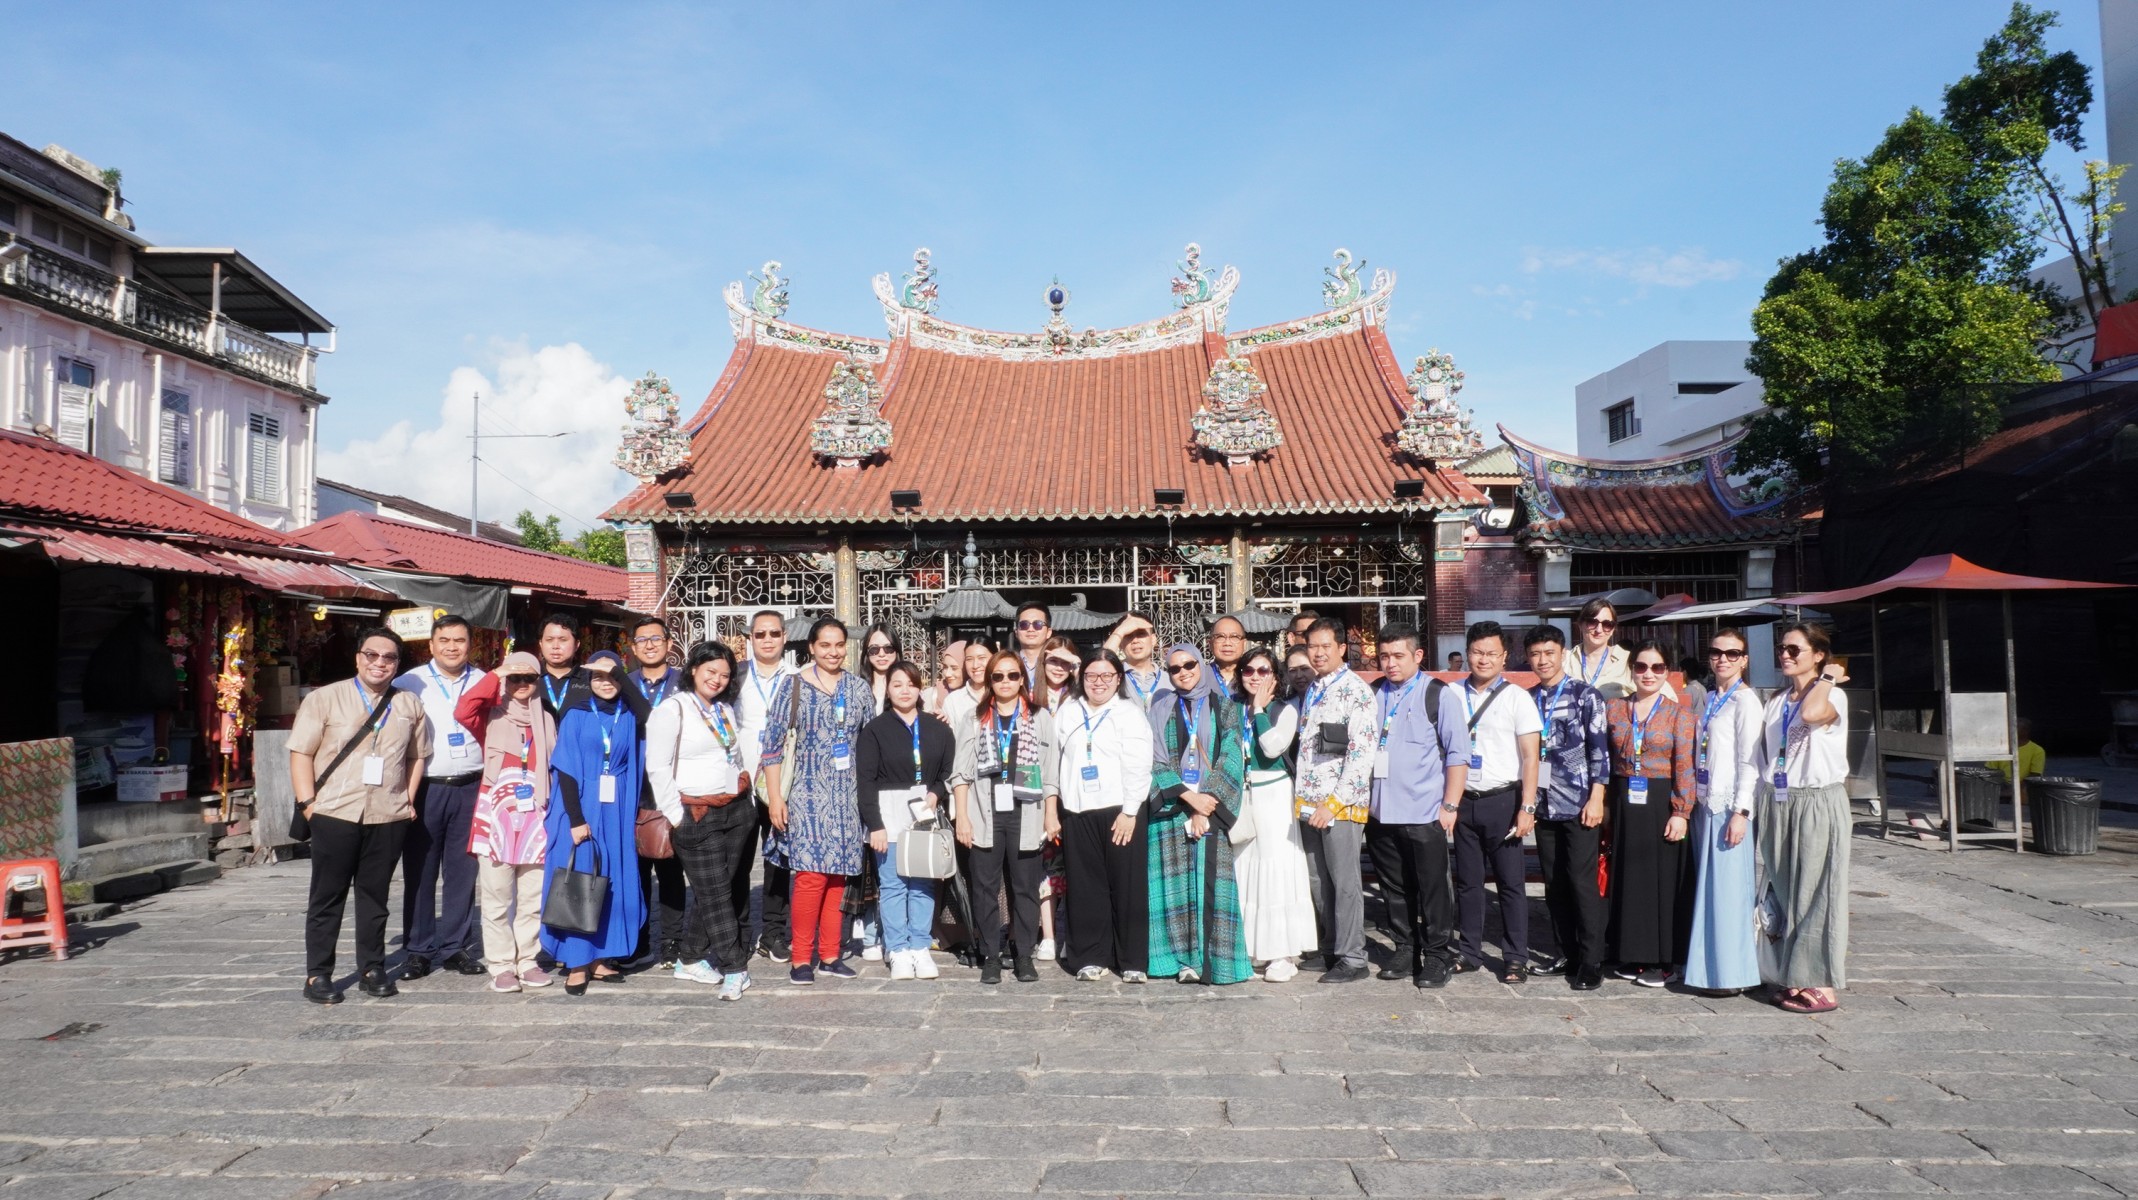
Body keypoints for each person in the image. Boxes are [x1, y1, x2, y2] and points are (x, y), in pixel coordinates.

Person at [290, 628, 432, 1004]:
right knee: (327, 895)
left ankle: (373, 967)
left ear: (397, 665)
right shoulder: (326, 698)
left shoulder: (408, 704)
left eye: (389, 658)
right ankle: (318, 974)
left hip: (387, 813)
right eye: (372, 655)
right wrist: (308, 804)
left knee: (376, 896)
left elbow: (419, 755)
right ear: (358, 658)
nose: (379, 663)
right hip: (334, 811)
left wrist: (408, 798)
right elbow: (301, 752)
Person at [758, 617, 873, 984]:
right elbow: (772, 748)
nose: (833, 652)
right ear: (811, 647)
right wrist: (776, 798)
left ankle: (830, 954)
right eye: (825, 645)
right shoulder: (793, 688)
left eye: (839, 645)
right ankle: (800, 959)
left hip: (848, 796)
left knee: (839, 876)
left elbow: (870, 744)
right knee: (810, 877)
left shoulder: (859, 689)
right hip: (806, 794)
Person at [644, 640, 758, 1001]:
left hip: (735, 808)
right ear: (694, 669)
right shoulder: (671, 710)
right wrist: (676, 817)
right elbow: (657, 767)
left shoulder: (723, 710)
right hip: (695, 813)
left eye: (725, 675)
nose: (718, 680)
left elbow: (733, 754)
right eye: (711, 671)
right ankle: (735, 967)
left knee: (719, 888)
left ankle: (690, 957)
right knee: (716, 892)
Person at [1363, 624, 1473, 989]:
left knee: (1433, 888)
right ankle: (1405, 946)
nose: (1390, 664)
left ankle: (1439, 953)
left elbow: (1458, 754)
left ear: (1418, 656)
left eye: (1398, 656)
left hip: (1424, 810)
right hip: (1380, 811)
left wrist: (1450, 805)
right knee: (1394, 887)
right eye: (1384, 657)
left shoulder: (1438, 695)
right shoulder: (1374, 692)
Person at [1758, 623, 1852, 1014]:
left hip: (1817, 800)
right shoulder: (1777, 700)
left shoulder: (1834, 695)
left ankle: (1822, 983)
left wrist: (1828, 675)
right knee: (1785, 891)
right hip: (1780, 798)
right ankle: (1793, 974)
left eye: (1795, 650)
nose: (1785, 655)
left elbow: (1814, 713)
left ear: (1817, 654)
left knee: (1818, 893)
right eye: (1782, 648)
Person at [1145, 643, 1251, 985]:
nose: (1183, 673)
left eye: (1189, 665)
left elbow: (1232, 756)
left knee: (1209, 888)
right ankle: (1176, 960)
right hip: (1173, 808)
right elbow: (1152, 757)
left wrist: (1207, 802)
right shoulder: (1159, 705)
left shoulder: (1224, 706)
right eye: (1174, 669)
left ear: (1201, 665)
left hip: (1210, 808)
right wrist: (1189, 799)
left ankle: (1211, 963)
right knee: (1172, 892)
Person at [542, 652, 645, 995]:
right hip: (581, 804)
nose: (605, 683)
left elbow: (647, 718)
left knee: (610, 880)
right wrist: (575, 819)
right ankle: (576, 961)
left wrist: (622, 676)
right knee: (580, 881)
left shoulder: (628, 715)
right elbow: (566, 769)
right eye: (598, 677)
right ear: (588, 681)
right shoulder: (576, 714)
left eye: (612, 676)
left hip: (615, 807)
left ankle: (601, 956)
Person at [1048, 648, 1153, 982]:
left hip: (1120, 810)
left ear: (1118, 679)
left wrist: (1130, 811)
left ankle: (1132, 959)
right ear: (1082, 678)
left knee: (1126, 885)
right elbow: (1057, 756)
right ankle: (1090, 956)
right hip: (1078, 810)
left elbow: (1139, 764)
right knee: (1085, 886)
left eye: (1107, 675)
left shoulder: (1128, 713)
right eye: (1092, 675)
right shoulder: (1068, 710)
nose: (1098, 682)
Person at [393, 614, 488, 981]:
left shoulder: (485, 681)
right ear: (431, 645)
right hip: (426, 787)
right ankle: (419, 949)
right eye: (444, 640)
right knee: (420, 869)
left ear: (470, 645)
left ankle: (455, 946)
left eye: (459, 641)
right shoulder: (408, 682)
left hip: (471, 785)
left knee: (463, 870)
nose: (452, 647)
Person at [953, 648, 1056, 984]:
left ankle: (1023, 953)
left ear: (1022, 679)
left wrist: (1050, 815)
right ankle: (991, 954)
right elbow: (961, 774)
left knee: (1025, 887)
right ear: (990, 680)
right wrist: (963, 819)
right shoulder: (975, 717)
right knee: (984, 886)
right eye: (998, 675)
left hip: (1026, 811)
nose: (1006, 681)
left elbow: (1050, 772)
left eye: (1013, 675)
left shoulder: (1039, 717)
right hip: (985, 813)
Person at [455, 651, 554, 993]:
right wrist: (498, 671)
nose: (523, 684)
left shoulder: (547, 720)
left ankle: (527, 960)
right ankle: (500, 965)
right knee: (497, 897)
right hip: (495, 820)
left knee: (532, 897)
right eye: (516, 678)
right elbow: (463, 707)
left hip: (536, 820)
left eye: (529, 678)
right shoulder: (490, 715)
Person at [1451, 621, 1544, 982]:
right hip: (1464, 801)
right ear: (1467, 652)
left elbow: (1531, 758)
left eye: (1491, 653)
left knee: (1510, 884)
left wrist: (1528, 806)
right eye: (1477, 652)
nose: (1483, 659)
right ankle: (1469, 951)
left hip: (1503, 800)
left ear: (1504, 656)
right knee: (1469, 883)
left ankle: (1515, 956)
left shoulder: (1516, 697)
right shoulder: (1453, 695)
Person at [1603, 640, 1697, 989]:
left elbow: (1685, 766)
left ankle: (1665, 958)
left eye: (1657, 668)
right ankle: (1633, 953)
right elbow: (1607, 760)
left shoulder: (1680, 715)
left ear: (1667, 672)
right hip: (1626, 797)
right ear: (1632, 670)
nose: (1648, 674)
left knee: (1662, 880)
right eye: (1641, 667)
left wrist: (1681, 811)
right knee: (1631, 877)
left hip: (1661, 798)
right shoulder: (1615, 709)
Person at [856, 660, 958, 981]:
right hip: (888, 814)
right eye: (897, 684)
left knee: (922, 883)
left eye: (910, 684)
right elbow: (866, 781)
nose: (904, 690)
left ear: (920, 688)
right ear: (888, 689)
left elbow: (947, 772)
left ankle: (919, 945)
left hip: (923, 814)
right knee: (893, 884)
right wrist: (875, 825)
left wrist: (936, 793)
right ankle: (897, 948)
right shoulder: (875, 730)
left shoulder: (938, 728)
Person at [1523, 624, 1611, 991]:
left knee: (1581, 882)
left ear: (1562, 654)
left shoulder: (1585, 696)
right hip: (1543, 804)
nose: (1542, 660)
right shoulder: (1526, 698)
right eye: (1535, 654)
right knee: (1554, 883)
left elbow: (1600, 750)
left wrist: (1597, 796)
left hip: (1578, 803)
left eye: (1549, 653)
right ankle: (1567, 953)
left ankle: (1592, 960)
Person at [1292, 617, 1376, 983]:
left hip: (1338, 806)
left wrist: (1335, 803)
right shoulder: (1315, 688)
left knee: (1344, 882)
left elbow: (1361, 755)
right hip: (1309, 803)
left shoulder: (1357, 691)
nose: (1319, 652)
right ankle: (1330, 947)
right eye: (1313, 646)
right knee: (1318, 881)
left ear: (1342, 648)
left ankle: (1353, 957)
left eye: (1326, 645)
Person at [1683, 628, 1763, 997]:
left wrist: (1741, 811)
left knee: (1729, 891)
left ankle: (1732, 972)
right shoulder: (1714, 697)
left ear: (1744, 659)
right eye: (1717, 652)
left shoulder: (1746, 701)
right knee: (1710, 890)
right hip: (1706, 801)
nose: (1723, 659)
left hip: (1728, 804)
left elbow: (1751, 761)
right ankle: (1709, 968)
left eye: (1732, 654)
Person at [1230, 647, 1314, 982]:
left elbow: (1272, 746)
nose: (1254, 677)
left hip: (1275, 795)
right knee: (1245, 868)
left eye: (1263, 671)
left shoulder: (1286, 708)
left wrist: (1261, 710)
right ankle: (1251, 947)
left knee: (1276, 870)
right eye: (1248, 671)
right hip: (1244, 795)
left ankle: (1282, 951)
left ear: (1275, 677)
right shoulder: (1233, 709)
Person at [626, 616, 688, 970]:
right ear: (633, 648)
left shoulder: (684, 684)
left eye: (656, 638)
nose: (649, 645)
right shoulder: (621, 683)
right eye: (642, 640)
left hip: (673, 790)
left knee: (670, 869)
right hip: (633, 790)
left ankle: (672, 942)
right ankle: (637, 943)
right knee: (635, 872)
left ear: (669, 643)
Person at [734, 609, 794, 963]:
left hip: (779, 783)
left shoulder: (798, 678)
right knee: (739, 861)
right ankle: (739, 933)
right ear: (750, 638)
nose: (767, 640)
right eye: (760, 634)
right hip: (741, 779)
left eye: (774, 633)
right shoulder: (736, 676)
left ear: (784, 637)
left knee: (777, 861)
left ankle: (773, 933)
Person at [1569, 599, 1634, 700]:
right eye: (1592, 622)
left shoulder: (1628, 660)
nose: (1598, 630)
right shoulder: (1566, 660)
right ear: (1580, 625)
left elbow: (1662, 693)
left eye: (1607, 624)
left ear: (1613, 629)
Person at [534, 613, 594, 719]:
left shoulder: (590, 679)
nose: (555, 646)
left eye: (563, 640)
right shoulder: (530, 677)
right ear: (540, 644)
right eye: (549, 640)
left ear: (577, 645)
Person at [1106, 612, 1169, 712]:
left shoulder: (1170, 681)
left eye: (1141, 634)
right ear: (1120, 644)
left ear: (1153, 639)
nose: (1135, 641)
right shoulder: (1112, 678)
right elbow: (1099, 664)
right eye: (1128, 635)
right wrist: (1120, 631)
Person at [860, 623, 901, 715]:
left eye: (888, 648)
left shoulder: (908, 686)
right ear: (866, 652)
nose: (881, 654)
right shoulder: (856, 687)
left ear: (896, 650)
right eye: (874, 649)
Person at [1991, 718, 2045, 783]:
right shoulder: (2001, 748)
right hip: (2000, 785)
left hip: (2024, 787)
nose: (2010, 730)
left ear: (2026, 731)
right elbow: (1990, 769)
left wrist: (2018, 788)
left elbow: (2035, 775)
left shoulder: (2037, 750)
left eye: (2015, 727)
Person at [924, 640, 968, 717]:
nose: (947, 674)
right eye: (945, 667)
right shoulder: (931, 695)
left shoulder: (977, 697)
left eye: (954, 668)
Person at [1012, 601, 1052, 685]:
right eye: (1024, 625)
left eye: (1038, 624)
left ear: (1048, 632)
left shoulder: (1057, 665)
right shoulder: (1006, 663)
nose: (1030, 629)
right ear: (1016, 632)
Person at [1209, 615, 1249, 690]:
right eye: (1220, 637)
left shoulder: (1253, 676)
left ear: (1244, 644)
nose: (1227, 643)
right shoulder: (1198, 677)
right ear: (1210, 643)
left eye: (1234, 637)